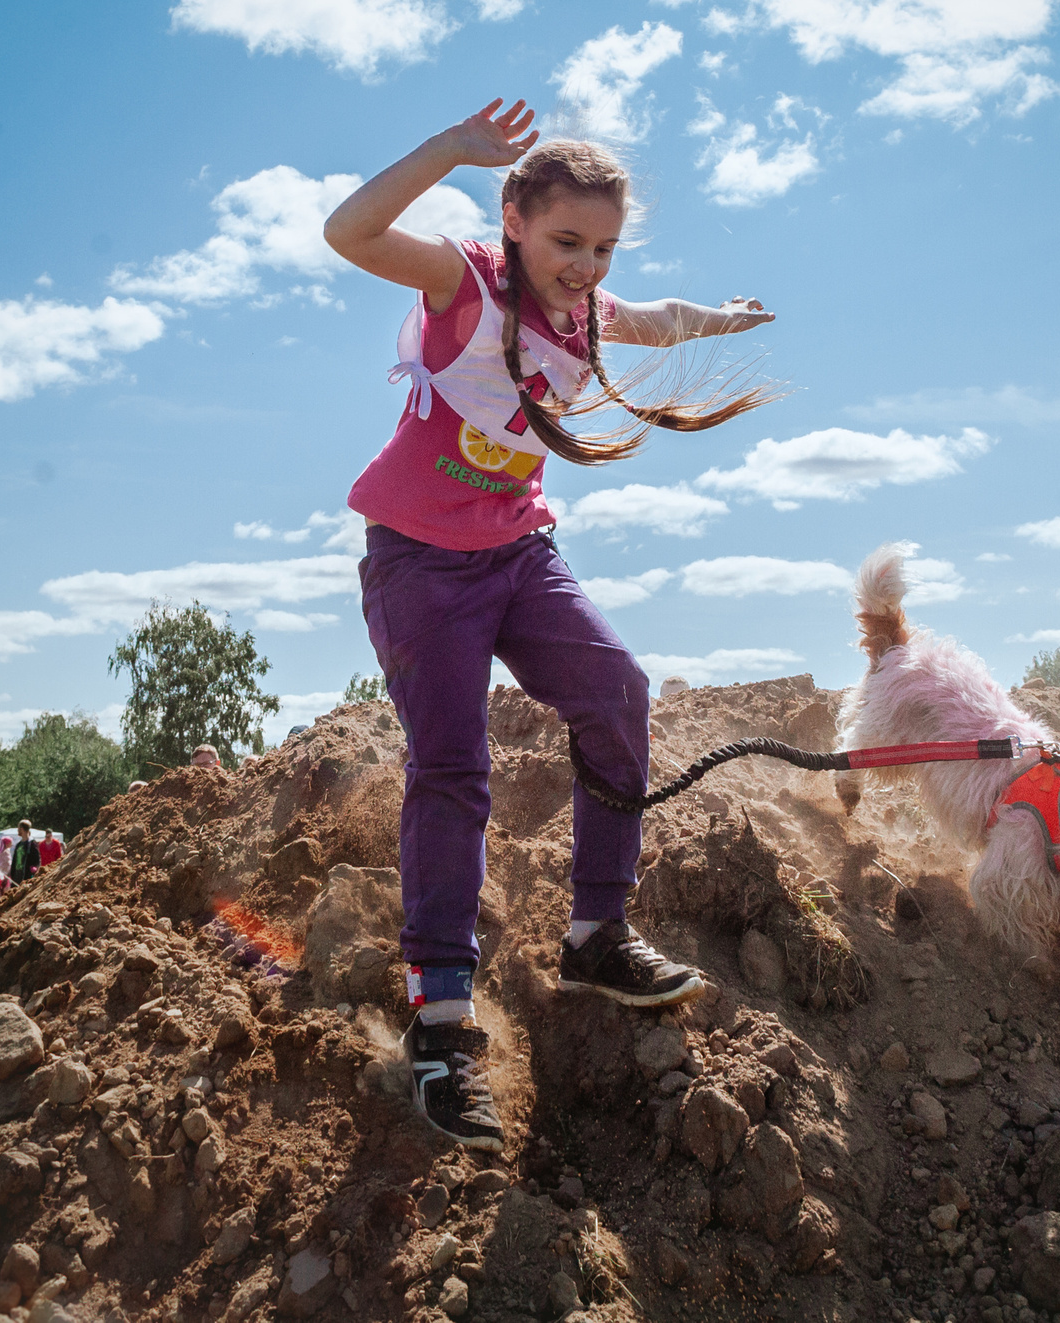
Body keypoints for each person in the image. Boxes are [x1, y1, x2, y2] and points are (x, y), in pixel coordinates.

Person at [324, 99, 777, 1149]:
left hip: (521, 554)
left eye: (603, 248)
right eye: (567, 241)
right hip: (420, 568)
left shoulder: (584, 312)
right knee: (453, 766)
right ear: (515, 220)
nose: (585, 266)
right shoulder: (464, 281)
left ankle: (597, 932)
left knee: (617, 691)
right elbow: (348, 234)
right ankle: (440, 1019)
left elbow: (653, 316)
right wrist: (446, 149)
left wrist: (719, 317)